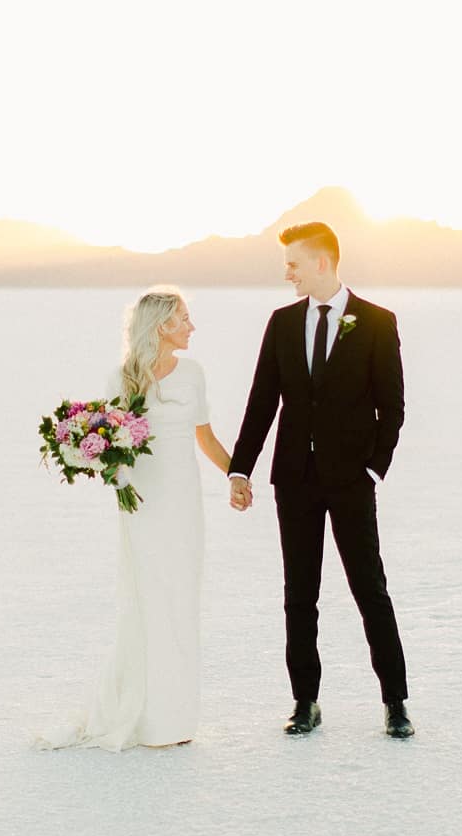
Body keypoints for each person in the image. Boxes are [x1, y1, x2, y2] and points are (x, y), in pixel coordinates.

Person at [228, 222, 414, 738]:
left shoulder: (377, 321)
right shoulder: (282, 323)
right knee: (299, 593)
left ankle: (395, 702)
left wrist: (374, 467)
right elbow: (262, 401)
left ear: (322, 263)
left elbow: (392, 407)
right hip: (295, 479)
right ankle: (305, 701)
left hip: (352, 480)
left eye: (293, 263)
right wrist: (240, 467)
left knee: (369, 589)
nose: (286, 272)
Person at [37, 287, 234, 750]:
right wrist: (97, 460)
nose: (191, 327)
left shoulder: (193, 375)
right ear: (161, 325)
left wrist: (237, 475)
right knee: (147, 599)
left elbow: (204, 438)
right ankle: (143, 714)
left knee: (181, 597)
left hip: (183, 500)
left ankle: (174, 715)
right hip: (141, 501)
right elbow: (113, 442)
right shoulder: (121, 380)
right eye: (184, 318)